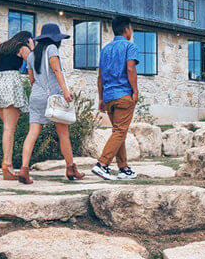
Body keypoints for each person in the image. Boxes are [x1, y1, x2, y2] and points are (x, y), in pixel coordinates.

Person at [18, 23, 85, 184]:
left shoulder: (32, 55)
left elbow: (32, 79)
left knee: (32, 133)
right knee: (63, 134)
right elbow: (56, 70)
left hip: (36, 96)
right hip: (53, 97)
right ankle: (70, 168)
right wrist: (65, 91)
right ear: (55, 39)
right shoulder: (52, 49)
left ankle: (24, 169)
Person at [0, 31, 33, 180]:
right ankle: (7, 165)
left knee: (8, 127)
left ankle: (8, 165)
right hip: (10, 85)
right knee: (9, 129)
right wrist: (31, 48)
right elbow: (33, 64)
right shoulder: (22, 47)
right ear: (27, 39)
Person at [91, 16, 139, 180]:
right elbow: (130, 69)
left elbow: (100, 76)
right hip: (124, 95)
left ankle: (124, 168)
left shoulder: (105, 49)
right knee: (120, 131)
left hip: (109, 97)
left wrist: (101, 99)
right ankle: (102, 164)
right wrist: (135, 91)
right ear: (127, 29)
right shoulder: (129, 46)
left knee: (119, 132)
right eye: (131, 28)